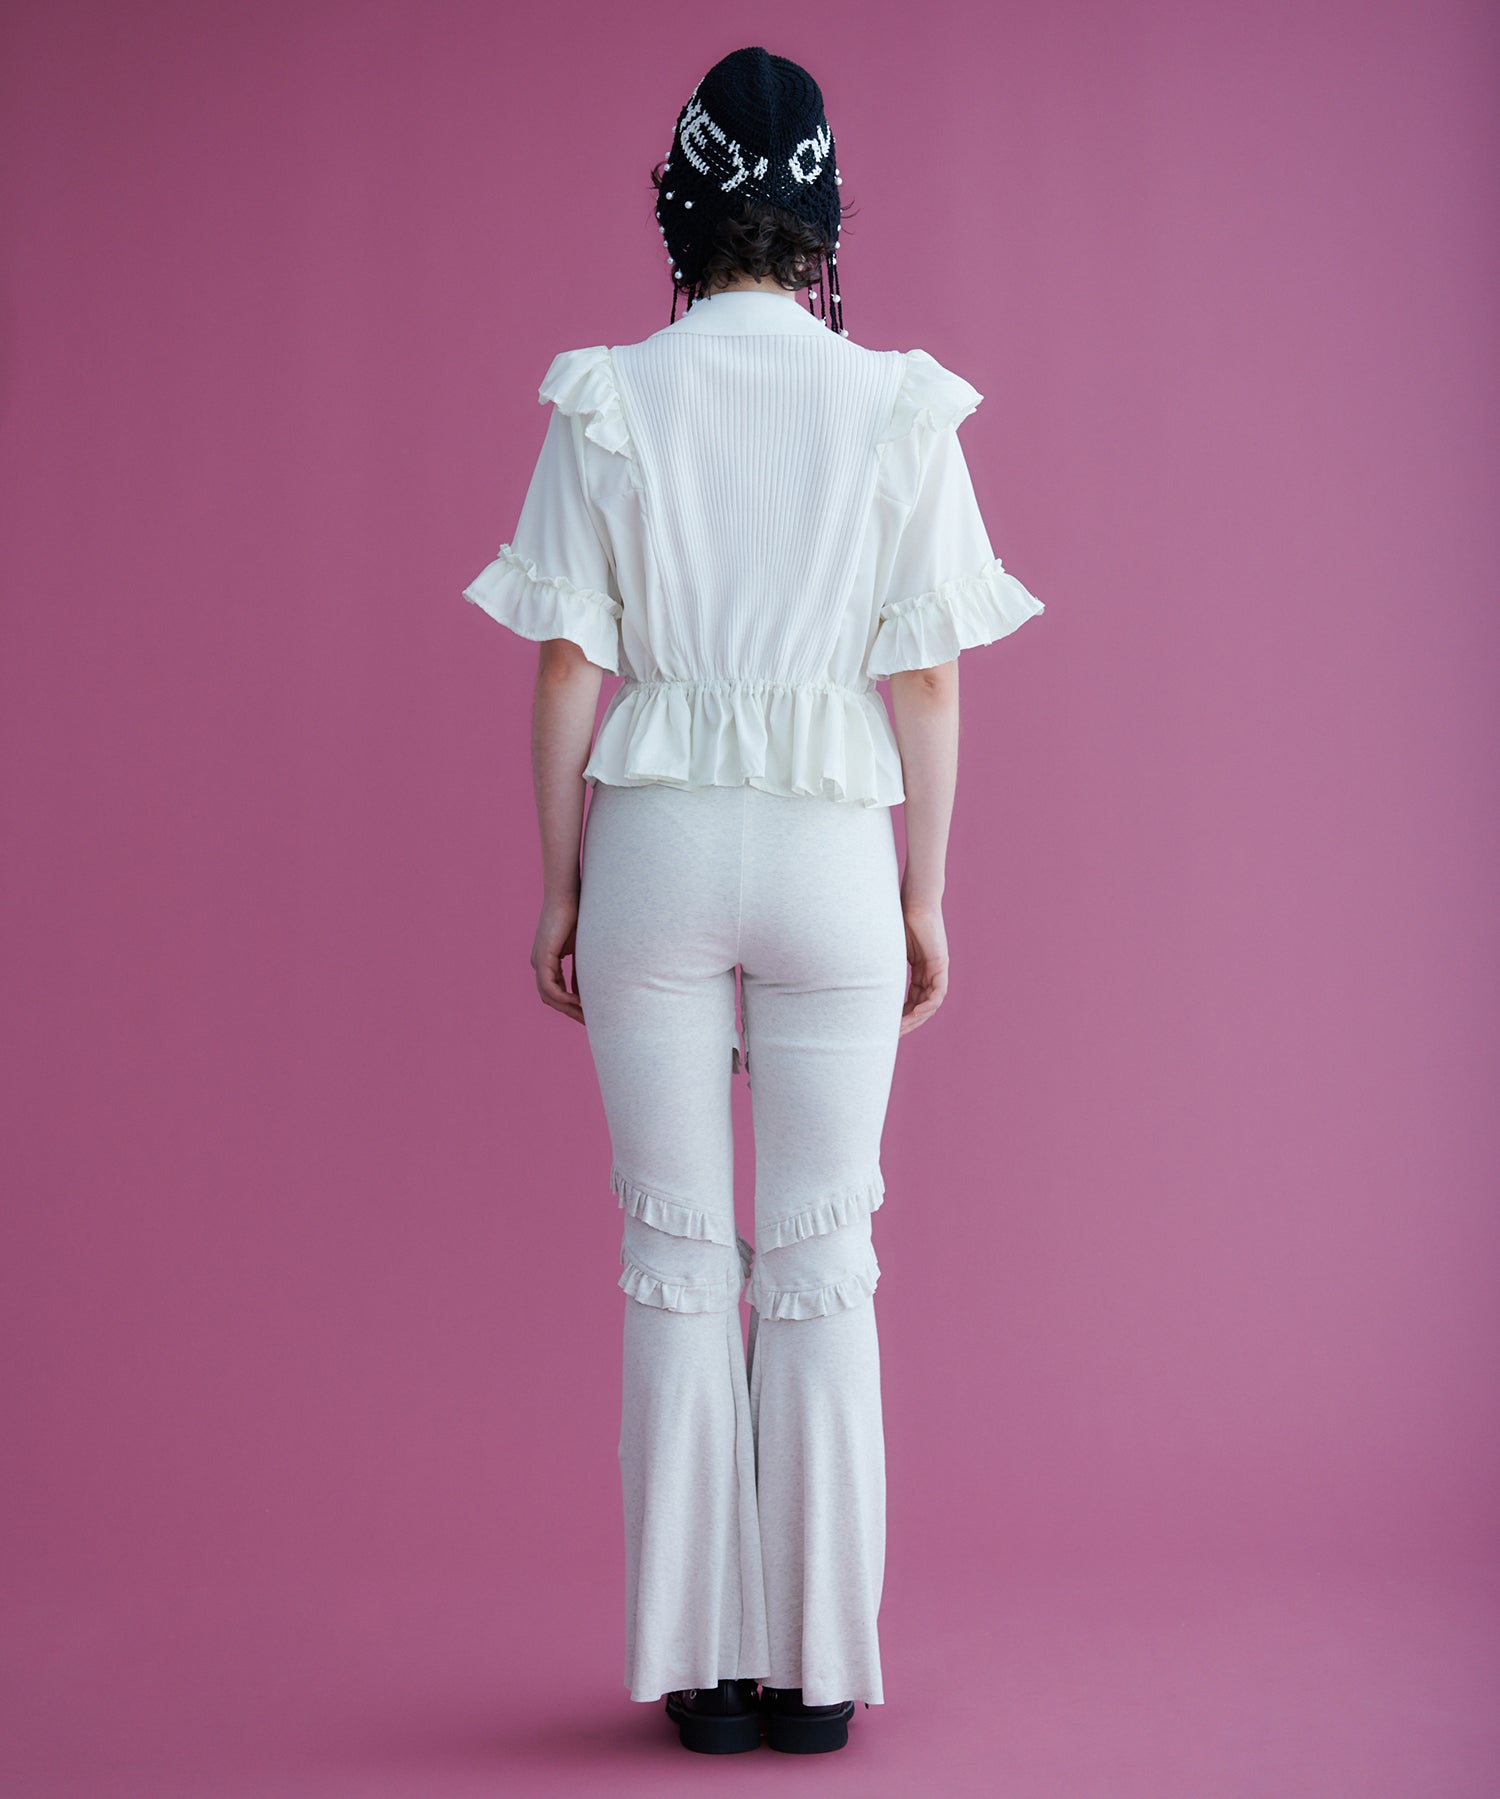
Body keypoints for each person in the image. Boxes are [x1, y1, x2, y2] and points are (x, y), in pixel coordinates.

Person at [460, 46, 1045, 1757]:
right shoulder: (895, 403)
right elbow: (925, 680)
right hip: (831, 851)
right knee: (823, 1261)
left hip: (653, 844)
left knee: (672, 1258)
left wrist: (561, 888)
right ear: (822, 225)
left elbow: (569, 667)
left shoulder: (612, 397)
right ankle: (816, 1678)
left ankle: (702, 1678)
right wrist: (926, 894)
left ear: (683, 211)